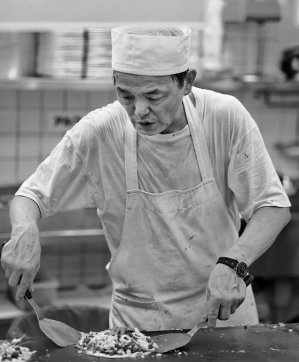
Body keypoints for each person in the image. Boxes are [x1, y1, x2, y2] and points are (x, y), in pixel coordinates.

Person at [0, 26, 291, 330]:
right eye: (126, 95)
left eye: (154, 96)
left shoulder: (223, 117)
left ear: (187, 82)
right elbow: (30, 196)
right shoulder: (101, 131)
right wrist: (24, 230)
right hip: (138, 326)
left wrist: (234, 262)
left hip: (224, 317)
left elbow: (272, 205)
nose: (139, 111)